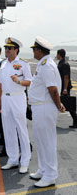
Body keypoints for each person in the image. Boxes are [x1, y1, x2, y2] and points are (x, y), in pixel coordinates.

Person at [28, 36, 65, 188]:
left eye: (34, 49)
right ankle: (43, 170)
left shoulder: (47, 66)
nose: (33, 52)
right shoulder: (43, 64)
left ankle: (50, 175)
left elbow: (53, 89)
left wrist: (58, 106)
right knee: (40, 139)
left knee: (48, 141)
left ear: (39, 50)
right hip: (39, 106)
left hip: (45, 107)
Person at [0, 37, 32, 174]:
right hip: (5, 98)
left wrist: (19, 81)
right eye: (5, 48)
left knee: (21, 130)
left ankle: (25, 161)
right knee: (8, 129)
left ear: (16, 50)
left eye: (9, 48)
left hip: (18, 97)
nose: (6, 50)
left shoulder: (23, 64)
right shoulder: (4, 64)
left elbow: (29, 81)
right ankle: (12, 159)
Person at [57, 49, 77, 128]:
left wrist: (65, 89)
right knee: (67, 103)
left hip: (64, 87)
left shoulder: (65, 64)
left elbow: (66, 77)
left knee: (69, 104)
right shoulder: (61, 63)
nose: (56, 55)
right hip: (62, 86)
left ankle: (76, 121)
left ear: (59, 54)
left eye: (57, 54)